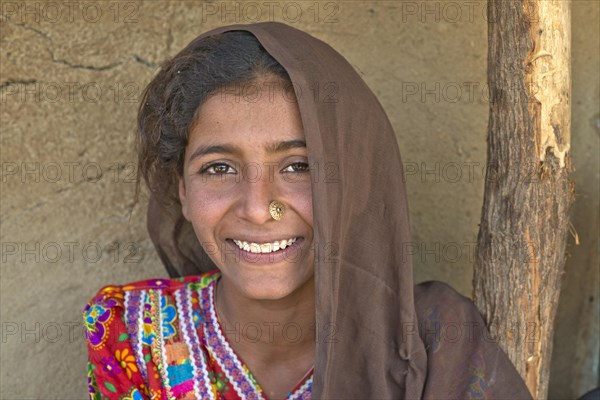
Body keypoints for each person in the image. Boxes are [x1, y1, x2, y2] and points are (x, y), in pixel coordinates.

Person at [83, 22, 533, 399]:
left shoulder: (434, 342)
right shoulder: (130, 332)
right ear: (182, 188)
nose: (259, 208)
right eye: (218, 168)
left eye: (299, 166)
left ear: (352, 183)